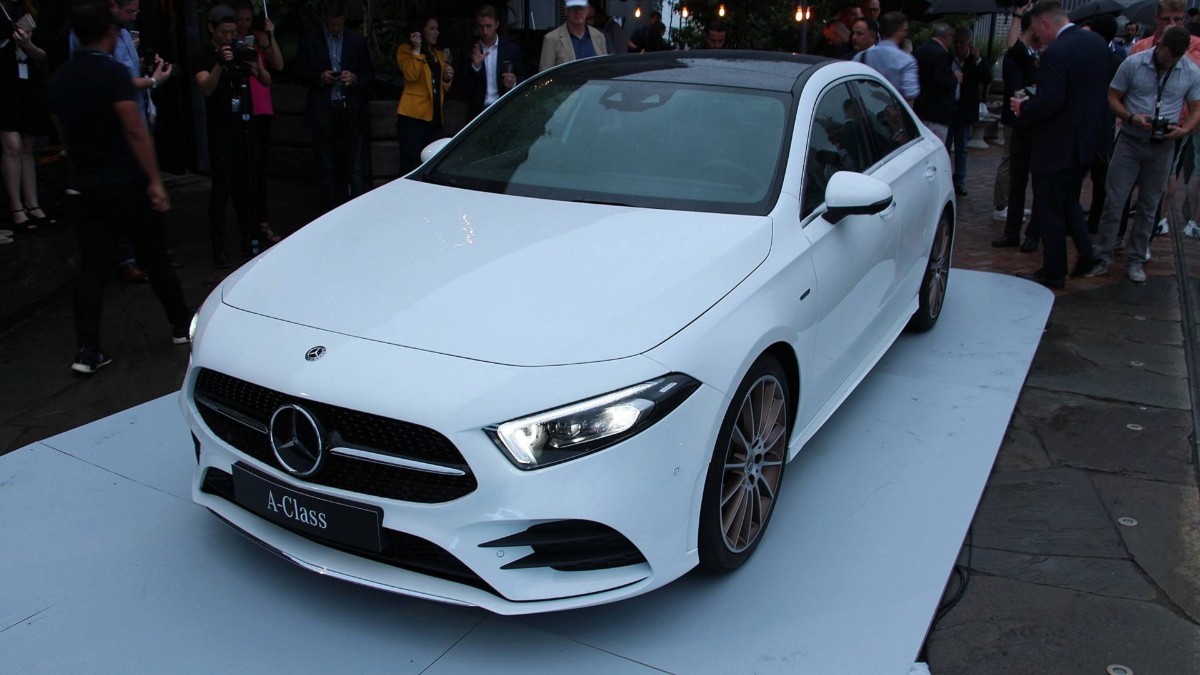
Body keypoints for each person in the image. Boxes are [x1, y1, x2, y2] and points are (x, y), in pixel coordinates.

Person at [49, 0, 191, 374]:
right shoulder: (113, 75)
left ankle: (87, 349)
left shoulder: (61, 77)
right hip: (126, 179)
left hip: (86, 183)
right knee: (155, 256)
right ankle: (180, 325)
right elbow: (134, 127)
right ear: (110, 32)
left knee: (93, 265)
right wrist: (155, 180)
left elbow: (60, 125)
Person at [1082, 27, 1200, 283]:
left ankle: (1135, 259)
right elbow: (1112, 96)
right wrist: (1131, 117)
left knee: (1149, 205)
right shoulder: (1134, 63)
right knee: (1114, 201)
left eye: (1175, 60)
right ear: (1160, 45)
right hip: (1130, 139)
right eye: (1166, 57)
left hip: (1163, 144)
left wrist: (1184, 130)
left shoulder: (1190, 71)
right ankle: (1102, 256)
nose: (1168, 64)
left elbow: (1196, 108)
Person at [1010, 0, 1111, 289]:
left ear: (1045, 23)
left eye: (1036, 31)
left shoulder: (1056, 52)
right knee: (1068, 201)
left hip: (1057, 143)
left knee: (1051, 206)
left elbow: (1050, 101)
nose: (1038, 38)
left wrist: (1023, 107)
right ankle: (1087, 255)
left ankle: (1054, 270)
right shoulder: (1096, 43)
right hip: (1087, 140)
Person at [68, 0, 170, 282]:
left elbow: (129, 74)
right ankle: (129, 259)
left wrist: (149, 73)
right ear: (113, 6)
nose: (134, 15)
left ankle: (148, 255)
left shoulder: (124, 32)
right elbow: (114, 82)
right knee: (125, 197)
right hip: (114, 132)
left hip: (138, 113)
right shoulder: (90, 41)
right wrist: (153, 81)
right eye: (130, 11)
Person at [194, 4, 269, 267]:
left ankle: (249, 238)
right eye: (223, 32)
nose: (228, 37)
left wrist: (256, 65)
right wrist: (220, 64)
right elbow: (206, 88)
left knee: (245, 185)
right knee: (221, 189)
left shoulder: (240, 48)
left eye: (231, 32)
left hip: (243, 125)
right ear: (211, 29)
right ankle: (218, 246)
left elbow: (266, 80)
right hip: (220, 127)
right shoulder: (204, 54)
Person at [292, 0, 373, 212]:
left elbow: (369, 75)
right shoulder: (311, 39)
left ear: (345, 18)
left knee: (354, 168)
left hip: (350, 110)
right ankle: (330, 211)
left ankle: (355, 210)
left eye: (338, 24)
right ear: (325, 20)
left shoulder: (356, 41)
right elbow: (298, 72)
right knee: (327, 167)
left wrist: (354, 78)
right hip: (323, 110)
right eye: (331, 24)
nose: (335, 28)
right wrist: (320, 78)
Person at [232, 0, 282, 249]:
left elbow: (279, 65)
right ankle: (248, 227)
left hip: (261, 108)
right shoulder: (230, 43)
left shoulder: (258, 40)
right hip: (240, 108)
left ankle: (262, 222)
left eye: (247, 20)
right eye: (239, 20)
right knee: (243, 170)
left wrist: (269, 38)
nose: (243, 25)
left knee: (260, 169)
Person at [991, 11, 1040, 250]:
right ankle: (1009, 222)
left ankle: (1029, 232)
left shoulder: (1036, 55)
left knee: (1030, 177)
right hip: (1020, 121)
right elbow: (1016, 88)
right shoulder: (1017, 55)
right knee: (1014, 170)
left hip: (1034, 122)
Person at [1, 0, 50, 232]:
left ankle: (32, 203)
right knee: (12, 145)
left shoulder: (30, 10)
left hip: (28, 83)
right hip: (4, 83)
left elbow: (43, 55)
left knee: (28, 146)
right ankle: (16, 207)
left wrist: (27, 44)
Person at [395, 14, 452, 175]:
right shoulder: (405, 50)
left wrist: (446, 79)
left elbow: (442, 87)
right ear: (421, 31)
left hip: (435, 118)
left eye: (437, 28)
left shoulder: (438, 54)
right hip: (413, 117)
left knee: (433, 165)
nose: (436, 32)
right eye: (432, 29)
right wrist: (416, 50)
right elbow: (411, 75)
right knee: (411, 164)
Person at [947, 27, 991, 197]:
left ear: (969, 44)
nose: (959, 46)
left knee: (961, 147)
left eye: (962, 43)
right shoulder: (948, 58)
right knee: (945, 145)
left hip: (964, 109)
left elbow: (986, 78)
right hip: (949, 107)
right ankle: (946, 179)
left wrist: (978, 59)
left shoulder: (975, 60)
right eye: (956, 43)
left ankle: (959, 181)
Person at [462, 4, 522, 122]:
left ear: (497, 24)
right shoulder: (471, 51)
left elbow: (524, 78)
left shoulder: (510, 49)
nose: (485, 31)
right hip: (478, 113)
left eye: (488, 26)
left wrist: (514, 82)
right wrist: (475, 67)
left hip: (503, 108)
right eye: (481, 27)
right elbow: (463, 88)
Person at [857, 12, 918, 105]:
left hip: (864, 108)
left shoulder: (861, 56)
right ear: (899, 32)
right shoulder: (907, 61)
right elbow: (910, 92)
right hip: (891, 110)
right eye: (905, 30)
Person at [913, 22, 958, 145]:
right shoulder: (941, 54)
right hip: (937, 112)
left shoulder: (919, 50)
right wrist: (955, 79)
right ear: (948, 35)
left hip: (920, 109)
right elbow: (941, 81)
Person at [539, 0, 606, 72]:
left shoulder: (599, 37)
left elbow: (605, 70)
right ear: (566, 10)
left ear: (587, 9)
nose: (577, 12)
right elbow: (545, 75)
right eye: (573, 8)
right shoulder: (552, 39)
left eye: (581, 8)